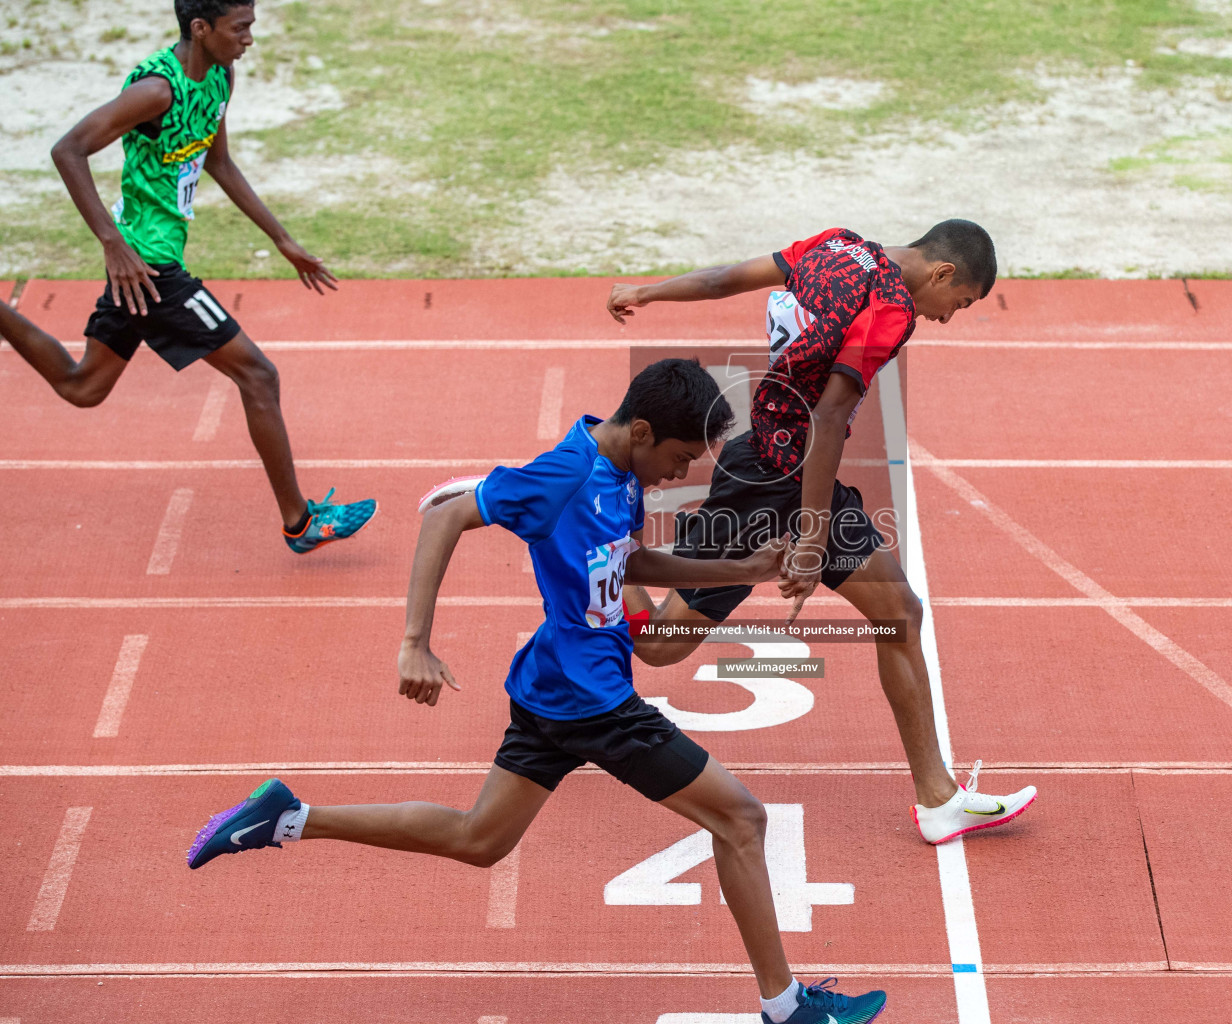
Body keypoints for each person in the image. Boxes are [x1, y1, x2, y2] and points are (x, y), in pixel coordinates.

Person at [186, 359, 889, 1024]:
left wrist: (744, 566)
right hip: (594, 700)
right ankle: (788, 1008)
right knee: (741, 820)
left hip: (552, 685)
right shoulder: (566, 473)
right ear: (642, 432)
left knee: (479, 838)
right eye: (680, 457)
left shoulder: (621, 470)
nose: (683, 472)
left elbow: (628, 557)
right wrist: (415, 642)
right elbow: (444, 516)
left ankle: (288, 817)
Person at [606, 221, 1036, 845]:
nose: (947, 317)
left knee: (900, 612)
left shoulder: (835, 245)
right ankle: (611, 550)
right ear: (943, 274)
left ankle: (938, 799)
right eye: (959, 304)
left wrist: (647, 291)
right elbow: (829, 414)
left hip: (799, 472)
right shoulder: (890, 310)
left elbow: (726, 279)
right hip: (769, 479)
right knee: (660, 646)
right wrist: (811, 538)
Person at [0, 0, 374, 552]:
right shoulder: (156, 91)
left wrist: (281, 239)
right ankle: (299, 521)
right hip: (150, 269)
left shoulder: (220, 76)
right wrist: (113, 244)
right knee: (259, 376)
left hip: (145, 265)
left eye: (251, 25)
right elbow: (68, 149)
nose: (249, 38)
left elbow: (219, 162)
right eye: (239, 27)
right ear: (201, 28)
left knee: (84, 386)